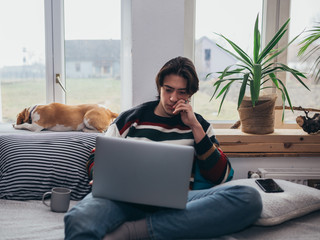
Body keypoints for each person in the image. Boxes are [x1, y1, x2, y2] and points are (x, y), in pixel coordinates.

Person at [64, 56, 262, 240]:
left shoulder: (199, 125)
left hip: (181, 202)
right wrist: (100, 175)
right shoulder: (130, 119)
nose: (173, 98)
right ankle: (166, 227)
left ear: (190, 94)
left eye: (181, 92)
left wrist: (194, 127)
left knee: (248, 198)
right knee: (78, 218)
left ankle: (133, 231)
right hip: (123, 199)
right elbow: (98, 155)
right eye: (168, 90)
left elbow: (220, 176)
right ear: (160, 87)